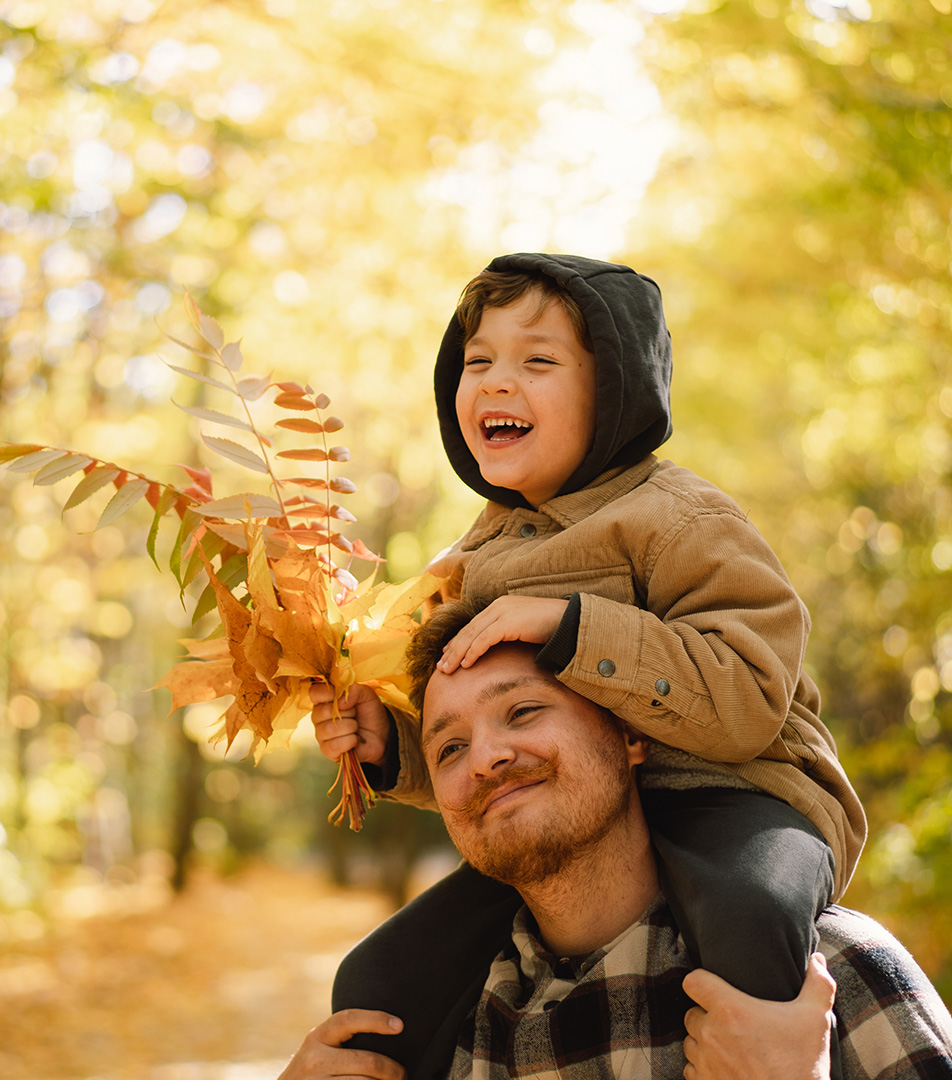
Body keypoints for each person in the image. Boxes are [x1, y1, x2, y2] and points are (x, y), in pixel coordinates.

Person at [310, 254, 867, 1042]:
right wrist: (391, 751)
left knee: (751, 915)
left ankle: (766, 1056)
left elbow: (747, 696)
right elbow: (498, 746)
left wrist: (570, 626)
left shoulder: (677, 518)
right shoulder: (468, 560)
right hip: (573, 824)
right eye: (478, 362)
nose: (498, 383)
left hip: (737, 791)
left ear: (615, 392)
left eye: (538, 360)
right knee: (380, 983)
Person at [287, 604, 952, 1080]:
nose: (485, 758)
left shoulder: (820, 982)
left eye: (522, 711)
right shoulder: (431, 1036)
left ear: (632, 736)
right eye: (450, 748)